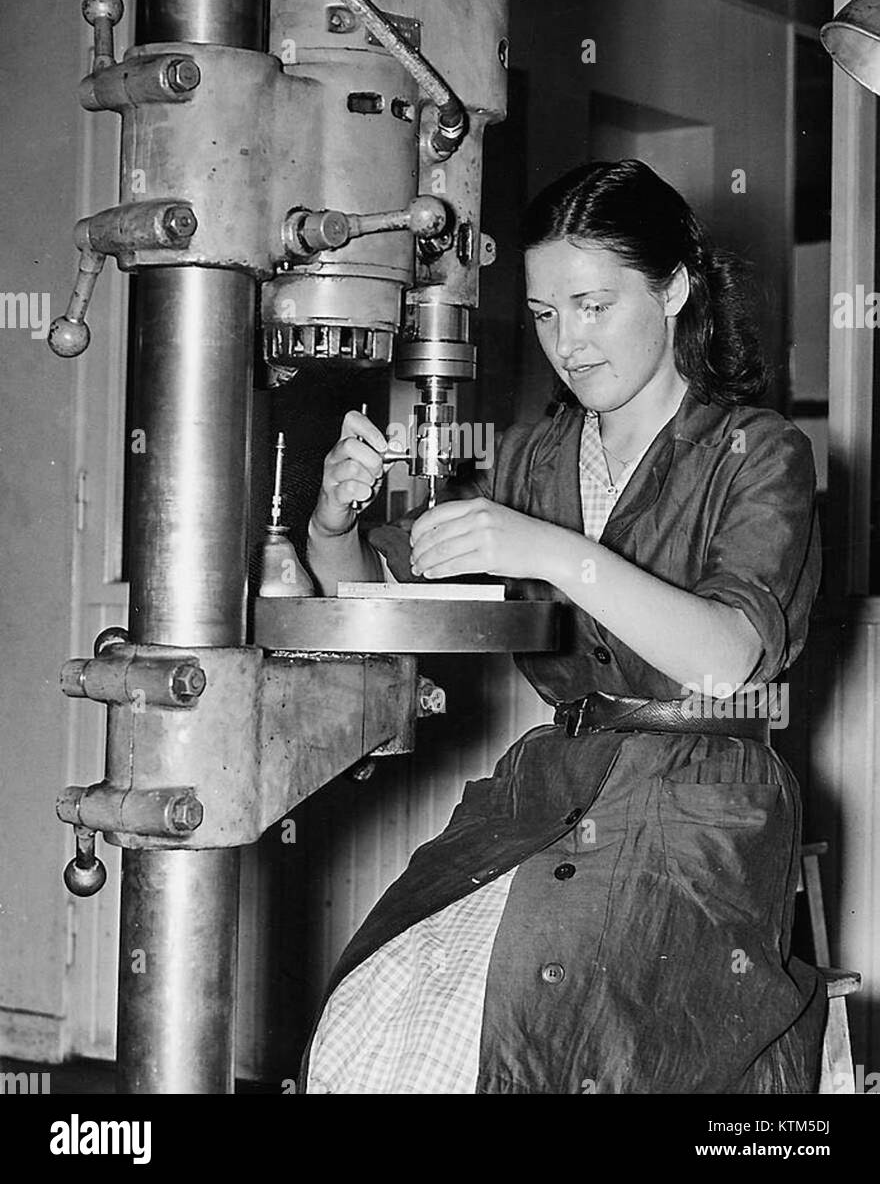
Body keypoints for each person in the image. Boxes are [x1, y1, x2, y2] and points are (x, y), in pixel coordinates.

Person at [298, 158, 826, 1095]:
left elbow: (726, 656)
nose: (567, 344)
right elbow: (385, 601)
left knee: (546, 1044)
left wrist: (548, 548)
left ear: (673, 289)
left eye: (592, 305)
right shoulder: (533, 458)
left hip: (700, 809)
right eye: (545, 315)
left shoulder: (758, 451)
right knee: (372, 1006)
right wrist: (334, 520)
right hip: (547, 791)